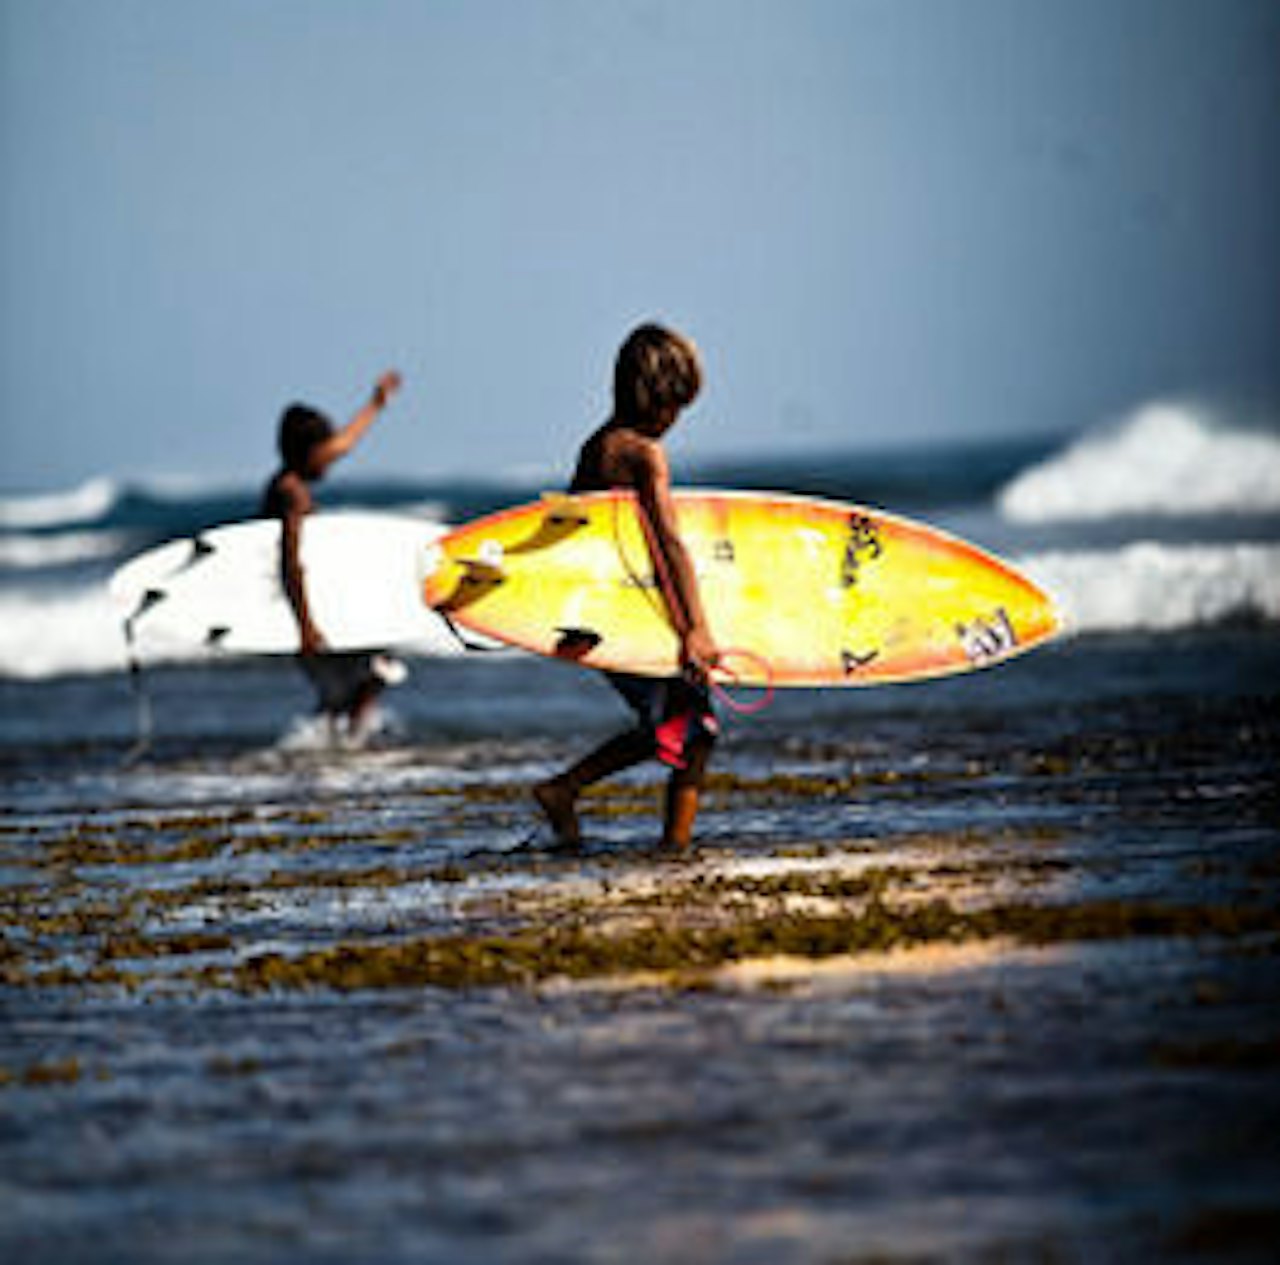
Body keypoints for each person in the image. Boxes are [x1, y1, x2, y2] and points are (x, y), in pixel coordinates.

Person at [533, 323, 720, 850]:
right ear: (657, 399)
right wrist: (696, 629)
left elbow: (577, 533)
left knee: (686, 729)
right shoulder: (643, 454)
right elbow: (669, 544)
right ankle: (667, 846)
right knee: (690, 728)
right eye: (677, 406)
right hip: (634, 615)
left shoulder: (596, 446)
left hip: (602, 611)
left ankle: (574, 794)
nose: (677, 421)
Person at [261, 370, 403, 741]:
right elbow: (290, 561)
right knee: (368, 676)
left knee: (358, 684)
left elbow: (345, 442)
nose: (334, 456)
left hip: (314, 606)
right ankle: (332, 749)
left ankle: (333, 748)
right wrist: (305, 626)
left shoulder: (292, 479)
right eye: (326, 450)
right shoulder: (292, 493)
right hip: (299, 609)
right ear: (308, 452)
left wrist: (376, 402)